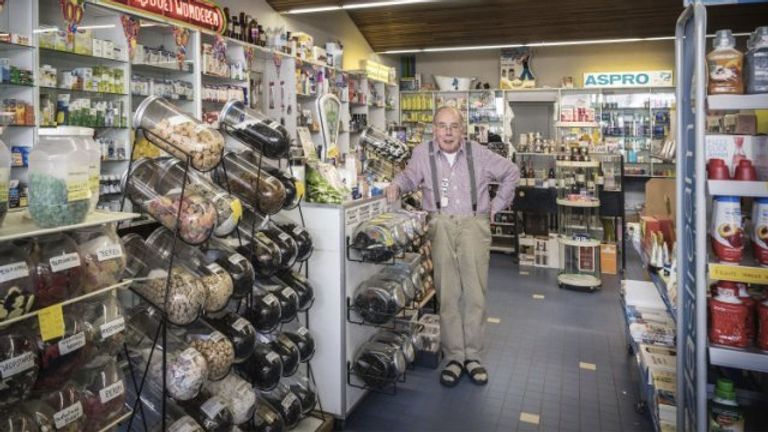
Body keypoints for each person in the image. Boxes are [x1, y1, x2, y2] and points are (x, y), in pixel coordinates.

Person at [386, 106, 519, 387]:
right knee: (447, 295)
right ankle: (454, 357)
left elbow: (511, 172)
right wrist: (397, 184)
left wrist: (496, 206)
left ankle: (473, 356)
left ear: (462, 129)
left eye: (453, 126)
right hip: (440, 226)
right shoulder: (422, 153)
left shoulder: (478, 153)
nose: (447, 132)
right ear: (434, 128)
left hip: (473, 225)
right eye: (442, 126)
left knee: (475, 294)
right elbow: (410, 177)